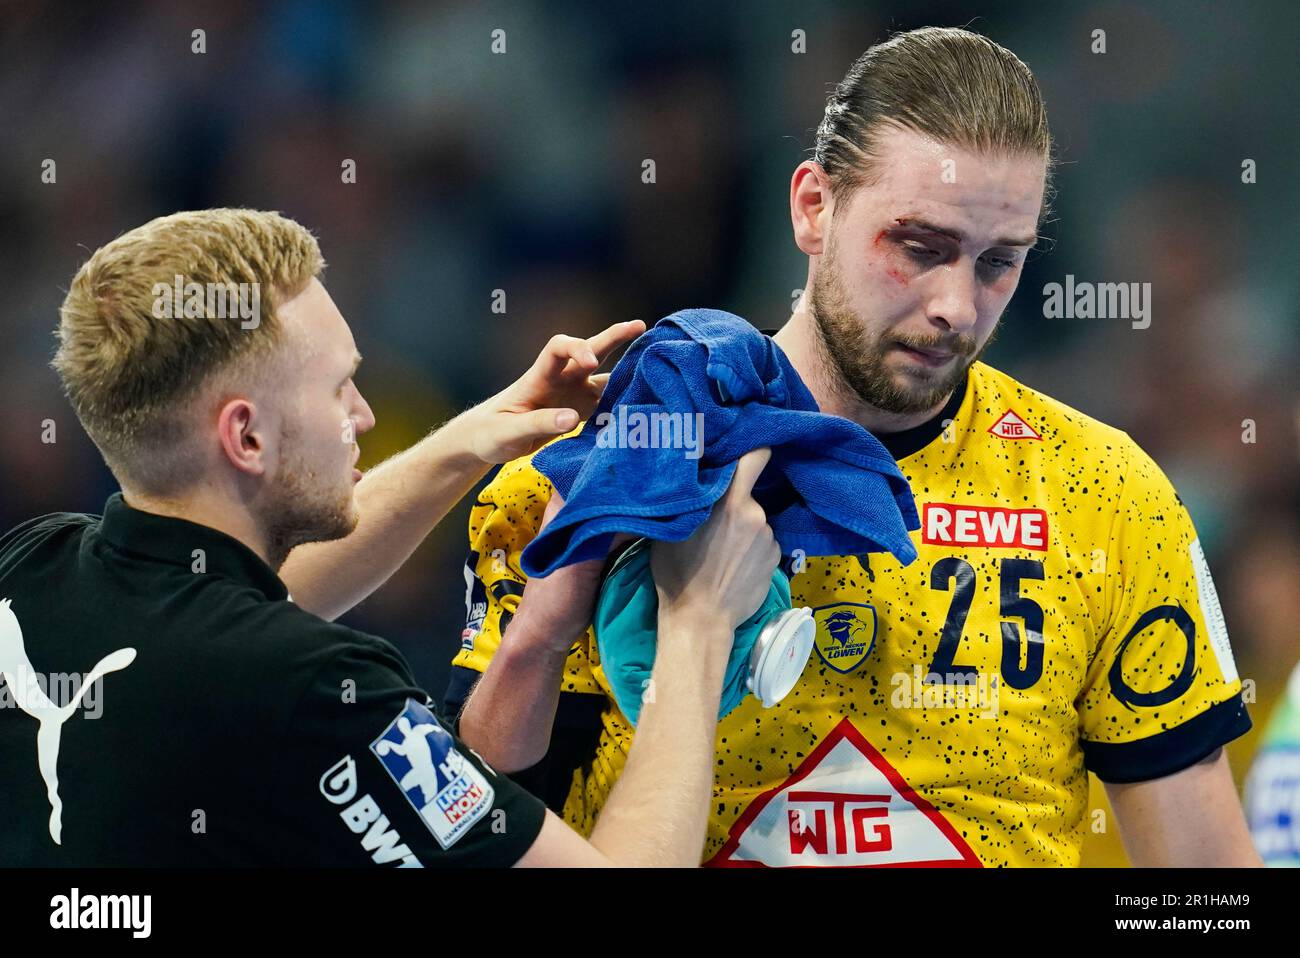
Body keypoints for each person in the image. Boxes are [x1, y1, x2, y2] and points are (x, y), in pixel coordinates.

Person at [444, 26, 1261, 867]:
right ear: (812, 207)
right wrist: (537, 641)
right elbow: (467, 841)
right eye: (919, 247)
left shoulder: (1107, 495)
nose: (956, 305)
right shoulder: (618, 470)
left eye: (998, 263)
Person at [0, 207, 780, 867]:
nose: (365, 416)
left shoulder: (31, 572)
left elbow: (243, 603)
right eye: (338, 387)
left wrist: (469, 440)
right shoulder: (317, 690)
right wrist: (697, 625)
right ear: (246, 437)